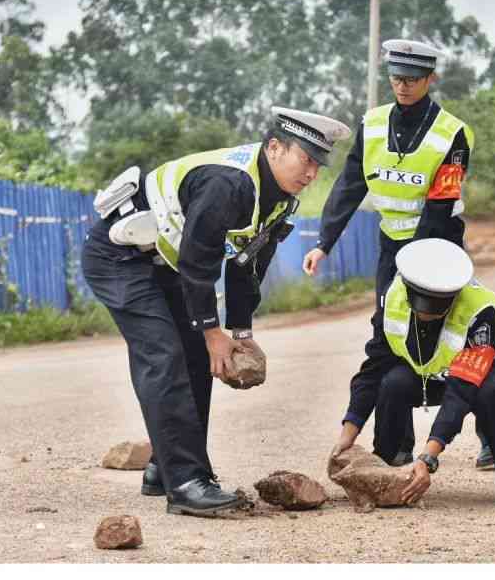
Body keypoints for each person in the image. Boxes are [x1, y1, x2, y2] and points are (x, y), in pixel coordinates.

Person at [81, 107, 350, 518]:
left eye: (318, 163)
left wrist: (239, 331)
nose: (312, 172)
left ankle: (166, 469)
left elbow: (246, 264)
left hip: (163, 262)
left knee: (196, 360)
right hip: (119, 257)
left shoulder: (279, 199)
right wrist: (211, 331)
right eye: (306, 159)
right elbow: (198, 261)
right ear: (275, 148)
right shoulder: (229, 183)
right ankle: (187, 485)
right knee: (164, 356)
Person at [302, 39, 494, 470]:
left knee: (465, 333)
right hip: (391, 245)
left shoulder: (451, 132)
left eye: (411, 79)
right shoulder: (371, 125)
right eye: (395, 78)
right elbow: (349, 187)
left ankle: (489, 437)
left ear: (431, 79)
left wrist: (417, 271)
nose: (402, 86)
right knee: (391, 334)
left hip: (439, 244)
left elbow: (440, 203)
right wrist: (323, 243)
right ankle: (395, 445)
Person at [329, 238, 495, 508]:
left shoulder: (481, 315)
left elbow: (461, 392)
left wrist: (428, 458)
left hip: (485, 372)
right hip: (428, 370)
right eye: (421, 309)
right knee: (393, 382)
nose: (427, 315)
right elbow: (373, 368)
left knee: (491, 394)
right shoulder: (394, 299)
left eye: (438, 309)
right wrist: (348, 435)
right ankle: (383, 466)